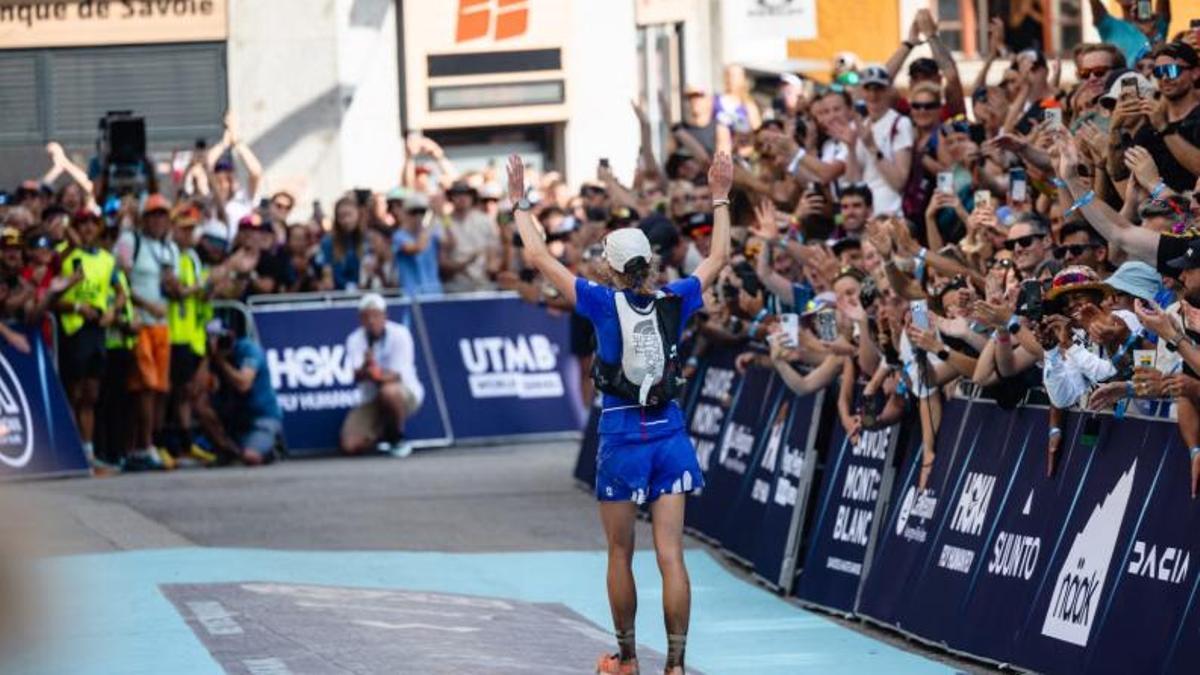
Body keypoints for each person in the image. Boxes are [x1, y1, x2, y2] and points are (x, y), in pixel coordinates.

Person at [506, 146, 732, 675]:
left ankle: (627, 658)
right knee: (672, 554)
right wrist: (720, 197)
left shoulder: (601, 301)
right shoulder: (675, 299)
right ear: (650, 264)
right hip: (670, 432)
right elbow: (718, 259)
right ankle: (676, 667)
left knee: (620, 553)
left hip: (622, 434)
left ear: (609, 266)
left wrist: (521, 205)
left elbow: (539, 259)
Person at [115, 194, 179, 470]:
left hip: (162, 326)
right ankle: (141, 446)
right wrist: (144, 304)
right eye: (153, 215)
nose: (158, 220)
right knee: (145, 387)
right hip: (139, 324)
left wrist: (175, 287)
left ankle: (149, 443)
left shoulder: (170, 249)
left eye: (163, 215)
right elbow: (120, 281)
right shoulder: (131, 241)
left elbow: (172, 286)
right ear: (143, 218)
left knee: (160, 389)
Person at [55, 210, 117, 470]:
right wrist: (78, 307)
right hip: (75, 329)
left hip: (97, 330)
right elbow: (53, 293)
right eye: (83, 224)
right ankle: (69, 450)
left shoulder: (106, 258)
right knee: (74, 391)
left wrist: (112, 310)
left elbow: (118, 291)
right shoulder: (66, 255)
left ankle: (88, 452)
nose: (89, 228)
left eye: (93, 223)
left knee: (91, 393)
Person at [339, 293, 425, 457]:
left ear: (385, 316)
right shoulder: (354, 340)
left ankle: (396, 438)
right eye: (367, 316)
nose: (371, 321)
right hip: (371, 399)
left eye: (376, 315)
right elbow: (357, 376)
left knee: (388, 392)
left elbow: (395, 376)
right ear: (360, 319)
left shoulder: (401, 334)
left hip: (405, 393)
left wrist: (374, 373)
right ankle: (381, 431)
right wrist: (365, 366)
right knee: (349, 446)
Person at [199, 318, 281, 465]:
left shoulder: (248, 349)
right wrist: (207, 357)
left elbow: (243, 384)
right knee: (200, 405)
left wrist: (221, 362)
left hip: (260, 418)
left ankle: (271, 448)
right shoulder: (210, 356)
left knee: (251, 457)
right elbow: (197, 390)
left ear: (231, 335)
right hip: (233, 419)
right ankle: (227, 450)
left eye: (221, 337)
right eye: (212, 338)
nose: (218, 342)